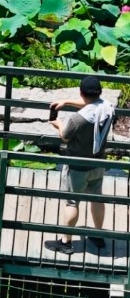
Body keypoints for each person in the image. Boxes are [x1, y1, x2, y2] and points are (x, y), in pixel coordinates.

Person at [44, 76, 115, 255]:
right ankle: (97, 235)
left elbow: (65, 136)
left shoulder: (77, 119)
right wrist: (66, 102)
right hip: (98, 161)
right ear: (99, 92)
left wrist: (58, 123)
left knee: (72, 202)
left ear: (81, 92)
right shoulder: (108, 107)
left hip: (77, 166)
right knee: (97, 198)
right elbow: (91, 105)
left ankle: (66, 242)